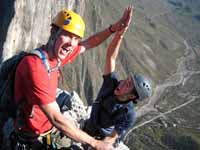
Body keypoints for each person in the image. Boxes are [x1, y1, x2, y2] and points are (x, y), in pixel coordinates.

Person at [12, 6, 133, 150]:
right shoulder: (35, 66)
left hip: (47, 130)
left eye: (76, 38)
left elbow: (88, 43)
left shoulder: (55, 58)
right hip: (31, 135)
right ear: (53, 31)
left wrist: (114, 29)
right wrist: (95, 143)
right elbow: (56, 118)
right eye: (68, 35)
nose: (71, 43)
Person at [82, 6, 153, 146]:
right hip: (88, 128)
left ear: (132, 96)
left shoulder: (128, 114)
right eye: (126, 80)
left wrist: (97, 145)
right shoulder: (111, 84)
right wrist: (120, 33)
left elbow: (113, 137)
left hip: (102, 140)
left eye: (127, 85)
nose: (121, 83)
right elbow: (111, 58)